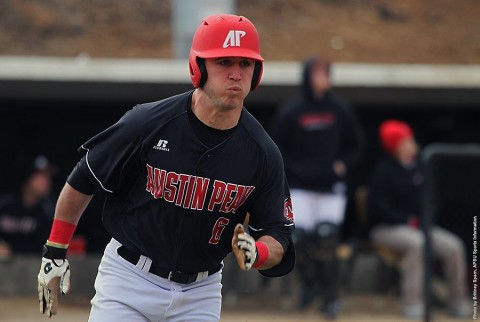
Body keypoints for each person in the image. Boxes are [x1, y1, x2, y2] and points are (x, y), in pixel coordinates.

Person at [37, 14, 295, 321]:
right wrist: (55, 249)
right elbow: (84, 178)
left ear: (257, 73)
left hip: (201, 291)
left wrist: (258, 252)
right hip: (129, 278)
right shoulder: (147, 122)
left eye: (246, 64)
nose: (236, 74)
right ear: (198, 67)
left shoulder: (263, 152)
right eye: (224, 62)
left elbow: (279, 235)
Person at [271, 56, 364, 319]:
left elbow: (355, 144)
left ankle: (330, 297)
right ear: (308, 75)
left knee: (327, 238)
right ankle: (310, 287)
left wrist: (343, 164)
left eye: (328, 72)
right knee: (297, 241)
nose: (326, 78)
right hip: (301, 189)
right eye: (320, 73)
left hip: (330, 191)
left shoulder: (340, 109)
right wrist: (296, 171)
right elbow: (276, 148)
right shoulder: (292, 110)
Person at [367, 119, 470, 319]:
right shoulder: (383, 171)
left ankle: (458, 302)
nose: (411, 144)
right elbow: (378, 208)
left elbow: (430, 201)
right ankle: (412, 303)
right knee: (418, 244)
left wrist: (423, 220)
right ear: (395, 145)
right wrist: (405, 220)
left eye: (409, 139)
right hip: (386, 228)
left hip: (418, 227)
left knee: (454, 246)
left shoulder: (420, 166)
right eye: (404, 141)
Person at [0, 155, 55, 259]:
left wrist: (13, 250)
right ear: (27, 179)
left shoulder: (48, 211)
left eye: (47, 176)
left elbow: (45, 248)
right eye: (40, 176)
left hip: (32, 269)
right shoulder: (5, 206)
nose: (46, 181)